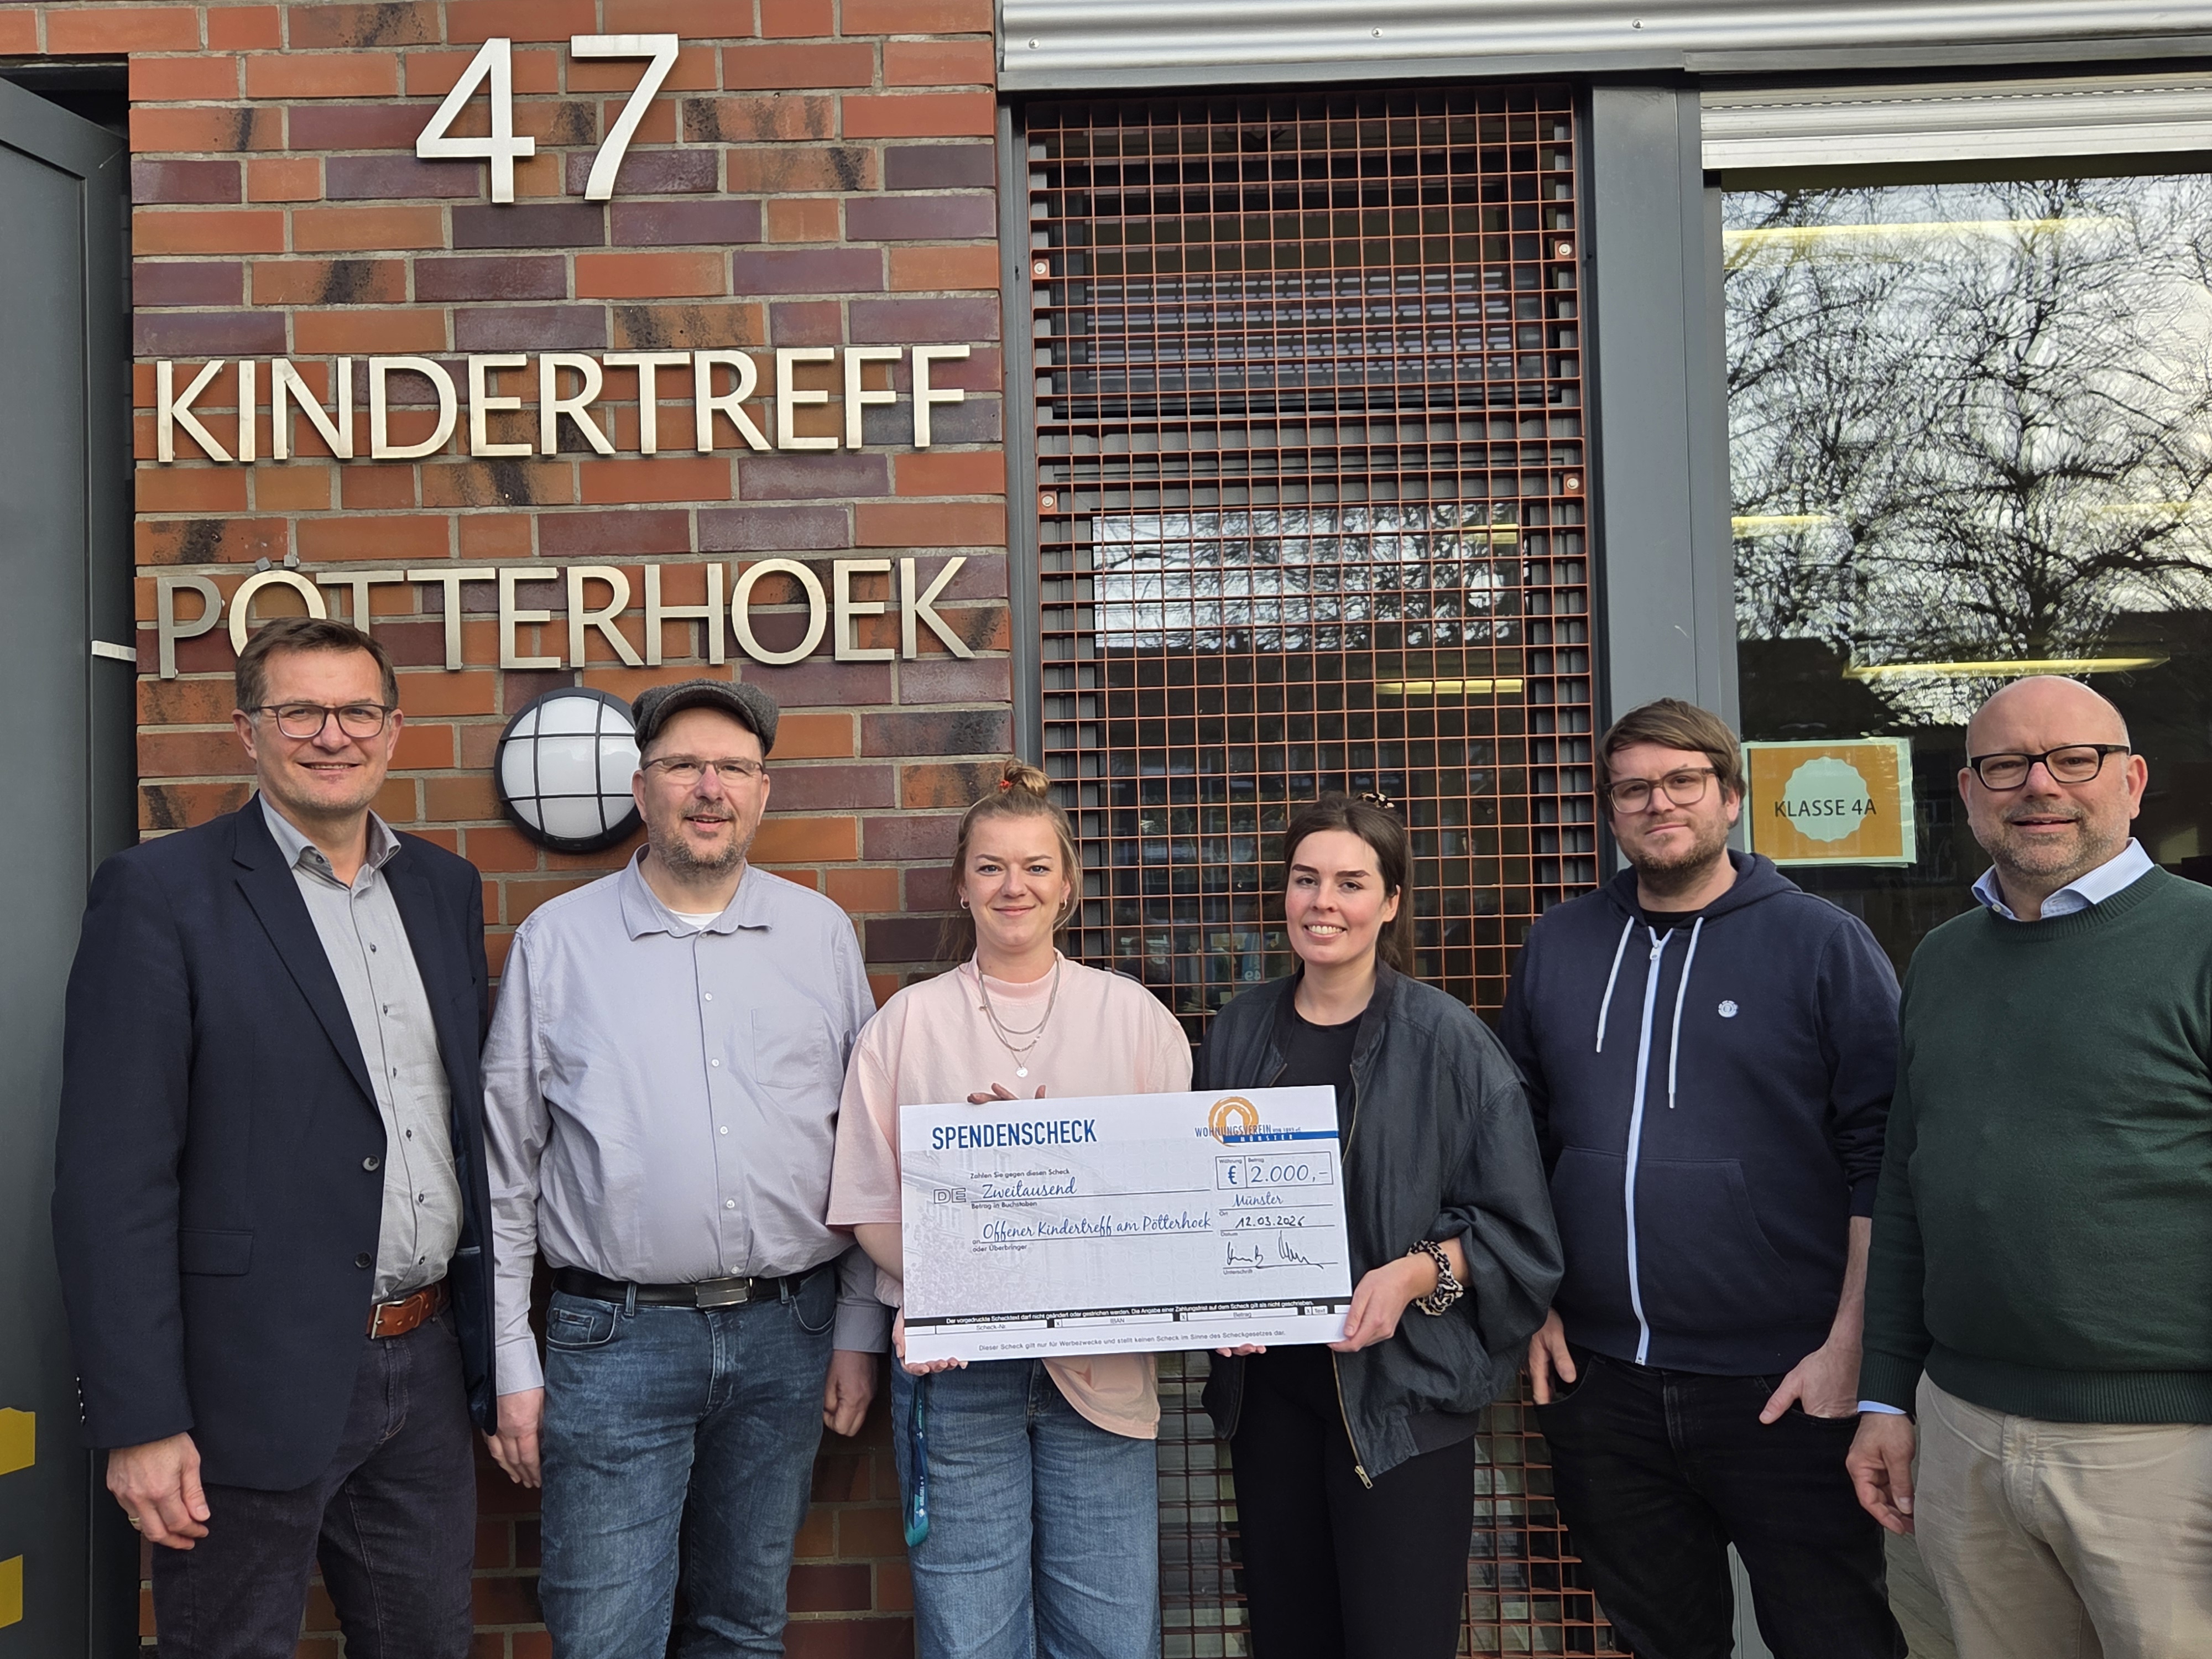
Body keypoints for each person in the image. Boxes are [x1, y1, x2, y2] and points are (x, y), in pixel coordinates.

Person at [51, 616, 496, 1659]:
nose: (332, 735)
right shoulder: (160, 894)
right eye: (300, 712)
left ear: (394, 731)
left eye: (357, 712)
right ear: (248, 731)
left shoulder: (442, 889)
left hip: (423, 1364)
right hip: (243, 1382)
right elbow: (113, 1179)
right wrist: (141, 1418)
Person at [479, 678, 886, 1659]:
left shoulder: (820, 936)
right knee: (604, 1634)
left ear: (763, 792)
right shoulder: (558, 944)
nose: (711, 789)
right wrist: (508, 1361)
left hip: (790, 1334)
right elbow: (505, 1170)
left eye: (734, 768)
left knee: (742, 1627)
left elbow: (868, 1148)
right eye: (684, 767)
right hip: (614, 1342)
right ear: (640, 788)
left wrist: (858, 1327)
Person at [1500, 698, 1906, 1659]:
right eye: (1634, 788)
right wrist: (1533, 1301)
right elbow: (1516, 1136)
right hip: (1603, 1386)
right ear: (1610, 810)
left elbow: (1885, 1157)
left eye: (1684, 781)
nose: (1660, 804)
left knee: (1834, 1639)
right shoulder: (1558, 943)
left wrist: (1852, 1347)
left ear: (1730, 796)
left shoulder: (1822, 943)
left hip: (1785, 1385)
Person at [1849, 675, 2212, 1658]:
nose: (2040, 785)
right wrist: (1886, 1396)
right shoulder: (1943, 960)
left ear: (2133, 780)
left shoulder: (2200, 942)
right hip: (1961, 1434)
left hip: (2168, 1453)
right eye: (2006, 765)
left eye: (2074, 760)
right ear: (1969, 793)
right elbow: (1907, 1187)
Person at [827, 761, 1192, 1659]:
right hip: (958, 1376)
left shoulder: (1136, 1019)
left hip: (1102, 1369)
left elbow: (1177, 1205)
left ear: (1068, 884)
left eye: (1035, 867)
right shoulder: (906, 1025)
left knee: (1109, 1637)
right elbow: (868, 1208)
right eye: (990, 867)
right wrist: (976, 1250)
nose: (1012, 887)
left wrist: (1059, 1167)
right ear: (962, 884)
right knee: (971, 1640)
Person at [1198, 793, 1561, 1659]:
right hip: (1270, 1402)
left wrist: (1413, 1273)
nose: (1324, 902)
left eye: (1351, 883)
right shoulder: (1240, 1027)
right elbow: (1199, 1197)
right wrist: (1212, 1297)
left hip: (1401, 1406)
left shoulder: (1449, 1042)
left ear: (1391, 902)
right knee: (1289, 1639)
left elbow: (1521, 1237)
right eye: (1306, 880)